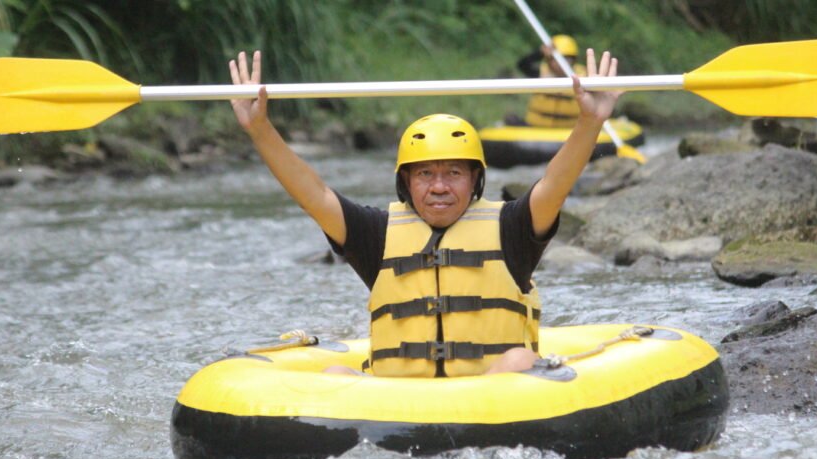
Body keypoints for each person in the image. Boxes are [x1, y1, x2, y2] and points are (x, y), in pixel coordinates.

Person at [228, 47, 621, 377]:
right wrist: (259, 128)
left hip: (492, 399)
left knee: (519, 359)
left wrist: (591, 121)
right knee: (335, 374)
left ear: (475, 181)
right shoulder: (376, 233)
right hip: (398, 405)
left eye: (453, 173)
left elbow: (554, 185)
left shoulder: (510, 228)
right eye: (425, 174)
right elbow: (312, 195)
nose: (438, 186)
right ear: (406, 182)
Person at [512, 34, 588, 128]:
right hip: (536, 128)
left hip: (569, 130)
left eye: (566, 59)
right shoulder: (540, 73)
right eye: (555, 59)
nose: (561, 63)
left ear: (574, 60)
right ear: (548, 60)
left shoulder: (584, 77)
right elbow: (522, 64)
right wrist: (540, 53)